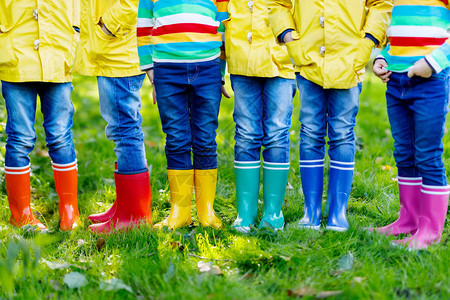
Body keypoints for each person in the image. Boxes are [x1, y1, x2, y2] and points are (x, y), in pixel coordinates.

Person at [266, 0, 392, 231]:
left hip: (350, 58)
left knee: (343, 131)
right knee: (310, 131)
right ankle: (310, 211)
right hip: (308, 57)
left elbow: (381, 4)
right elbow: (277, 4)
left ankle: (338, 212)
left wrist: (369, 41)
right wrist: (288, 37)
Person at [137, 0, 229, 230]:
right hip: (166, 69)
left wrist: (219, 73)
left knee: (206, 138)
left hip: (207, 67)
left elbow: (223, 25)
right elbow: (143, 26)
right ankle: (180, 211)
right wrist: (150, 72)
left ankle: (206, 211)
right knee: (177, 137)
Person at [371, 0, 450, 249]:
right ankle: (408, 220)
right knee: (404, 153)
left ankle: (430, 231)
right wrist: (381, 59)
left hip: (431, 81)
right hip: (396, 82)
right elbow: (397, 38)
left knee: (427, 154)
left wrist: (433, 61)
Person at [0, 0, 80, 231]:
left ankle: (69, 211)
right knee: (20, 137)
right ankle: (21, 214)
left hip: (58, 55)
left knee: (60, 136)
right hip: (15, 55)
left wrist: (75, 30)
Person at [75, 0, 152, 234]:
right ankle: (126, 205)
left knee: (124, 129)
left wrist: (107, 28)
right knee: (121, 128)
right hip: (113, 51)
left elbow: (130, 4)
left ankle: (134, 215)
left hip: (119, 53)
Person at [224, 0, 296, 233]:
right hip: (241, 55)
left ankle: (273, 213)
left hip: (282, 58)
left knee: (277, 132)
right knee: (246, 133)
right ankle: (245, 213)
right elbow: (220, 12)